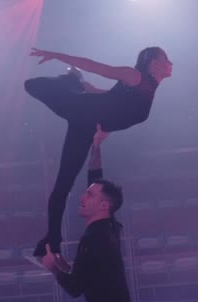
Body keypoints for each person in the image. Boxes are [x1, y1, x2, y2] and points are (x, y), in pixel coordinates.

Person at [25, 47, 173, 264]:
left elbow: (109, 98)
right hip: (81, 110)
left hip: (85, 126)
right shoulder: (134, 76)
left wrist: (88, 88)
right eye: (166, 59)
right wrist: (57, 55)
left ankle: (52, 239)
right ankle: (71, 82)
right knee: (32, 85)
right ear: (153, 63)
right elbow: (93, 65)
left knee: (63, 185)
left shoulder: (147, 90)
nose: (171, 63)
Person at [41, 125, 144, 302]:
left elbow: (76, 288)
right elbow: (90, 277)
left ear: (104, 205)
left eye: (89, 195)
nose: (82, 197)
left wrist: (53, 268)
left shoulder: (93, 238)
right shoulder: (110, 226)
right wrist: (96, 146)